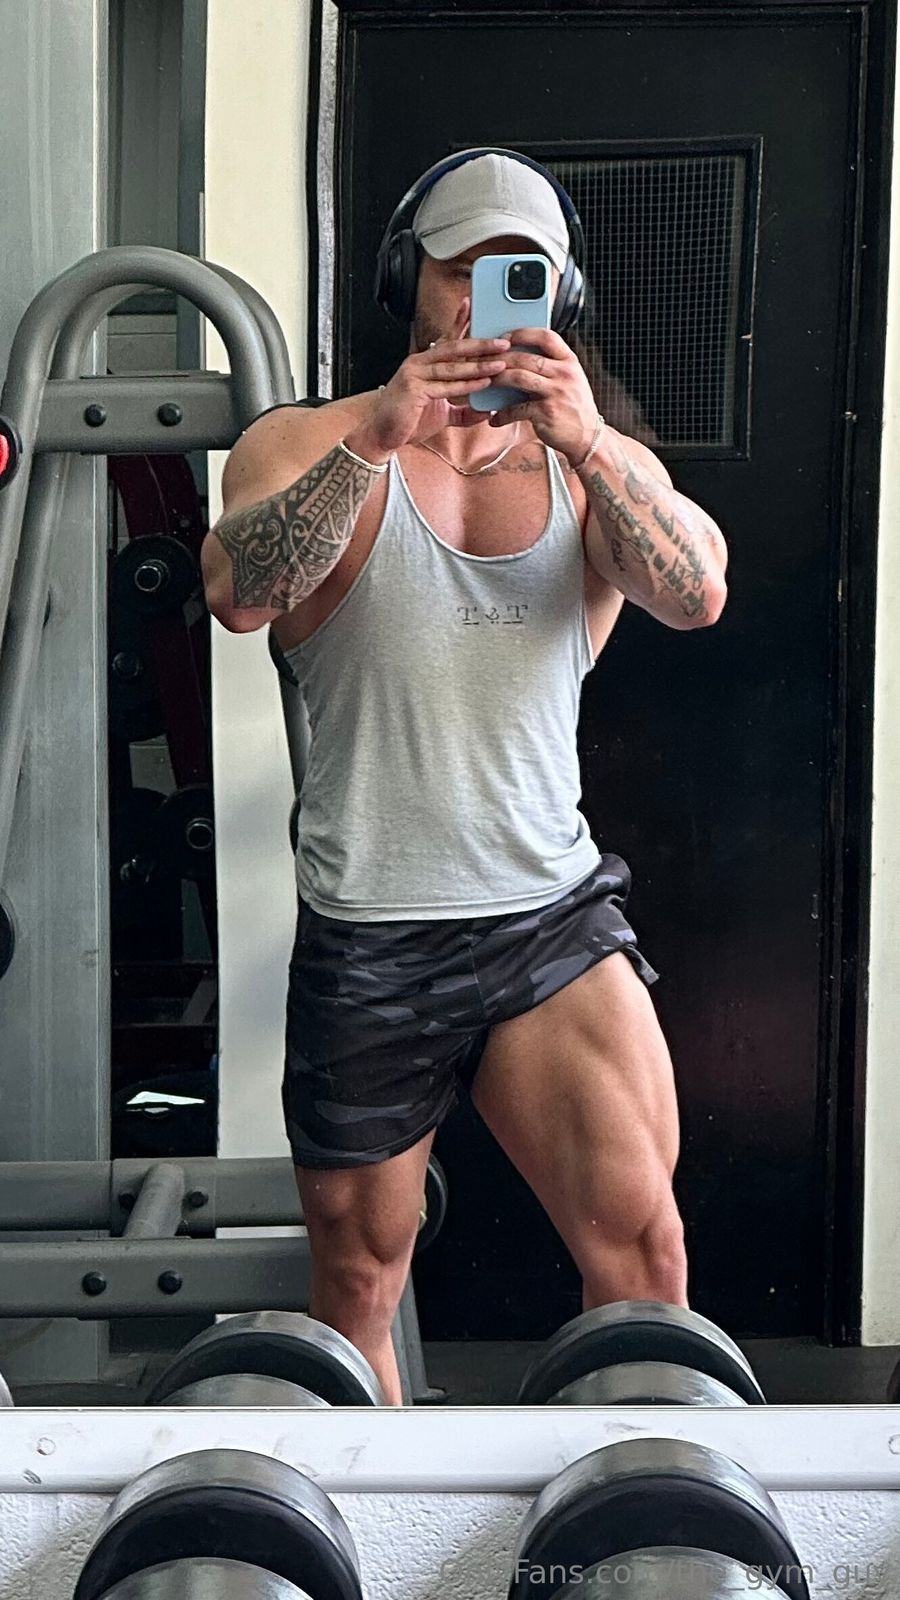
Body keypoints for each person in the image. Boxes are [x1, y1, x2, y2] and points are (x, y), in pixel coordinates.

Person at [200, 149, 729, 1404]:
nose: (484, 301)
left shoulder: (593, 463)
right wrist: (376, 440)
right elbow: (235, 591)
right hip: (373, 929)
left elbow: (696, 592)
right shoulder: (306, 442)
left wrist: (587, 440)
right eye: (461, 270)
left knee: (646, 1255)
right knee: (358, 1286)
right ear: (411, 281)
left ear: (560, 296)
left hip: (547, 919)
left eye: (518, 275)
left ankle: (632, 1511)